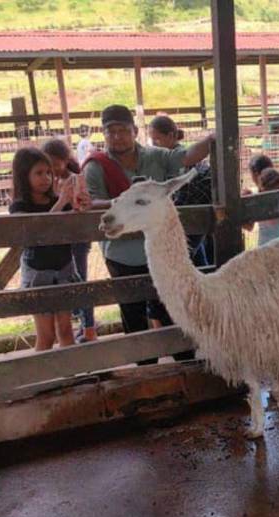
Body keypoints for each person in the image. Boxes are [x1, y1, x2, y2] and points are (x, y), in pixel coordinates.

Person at [84, 105, 213, 365]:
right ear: (104, 134)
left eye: (123, 130)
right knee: (133, 316)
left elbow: (186, 157)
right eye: (111, 131)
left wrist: (213, 140)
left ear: (134, 131)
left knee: (173, 313)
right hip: (122, 256)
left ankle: (186, 368)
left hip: (160, 256)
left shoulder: (157, 156)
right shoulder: (97, 167)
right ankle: (146, 374)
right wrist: (127, 204)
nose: (118, 136)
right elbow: (92, 202)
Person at [9, 147, 87, 352]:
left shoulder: (57, 200)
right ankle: (46, 381)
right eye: (39, 173)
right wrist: (62, 202)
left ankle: (73, 380)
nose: (46, 178)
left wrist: (80, 202)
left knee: (66, 331)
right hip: (38, 274)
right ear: (24, 176)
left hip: (64, 269)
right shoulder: (19, 206)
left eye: (48, 172)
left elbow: (75, 225)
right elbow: (35, 233)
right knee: (47, 336)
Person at [42, 138, 97, 343]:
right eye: (48, 164)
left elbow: (81, 207)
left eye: (56, 163)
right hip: (58, 242)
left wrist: (65, 199)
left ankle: (89, 329)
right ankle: (72, 329)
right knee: (64, 284)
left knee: (80, 280)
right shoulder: (47, 182)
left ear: (65, 161)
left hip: (77, 238)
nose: (52, 168)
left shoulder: (75, 180)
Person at [149, 115, 212, 267]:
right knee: (197, 258)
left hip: (188, 216)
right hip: (193, 217)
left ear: (171, 136)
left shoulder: (183, 161)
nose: (154, 144)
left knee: (185, 257)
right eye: (152, 140)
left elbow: (183, 194)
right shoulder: (169, 159)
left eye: (157, 139)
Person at [255, 168, 279, 246]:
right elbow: (249, 226)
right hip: (264, 247)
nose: (278, 195)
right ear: (264, 190)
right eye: (276, 190)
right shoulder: (258, 204)